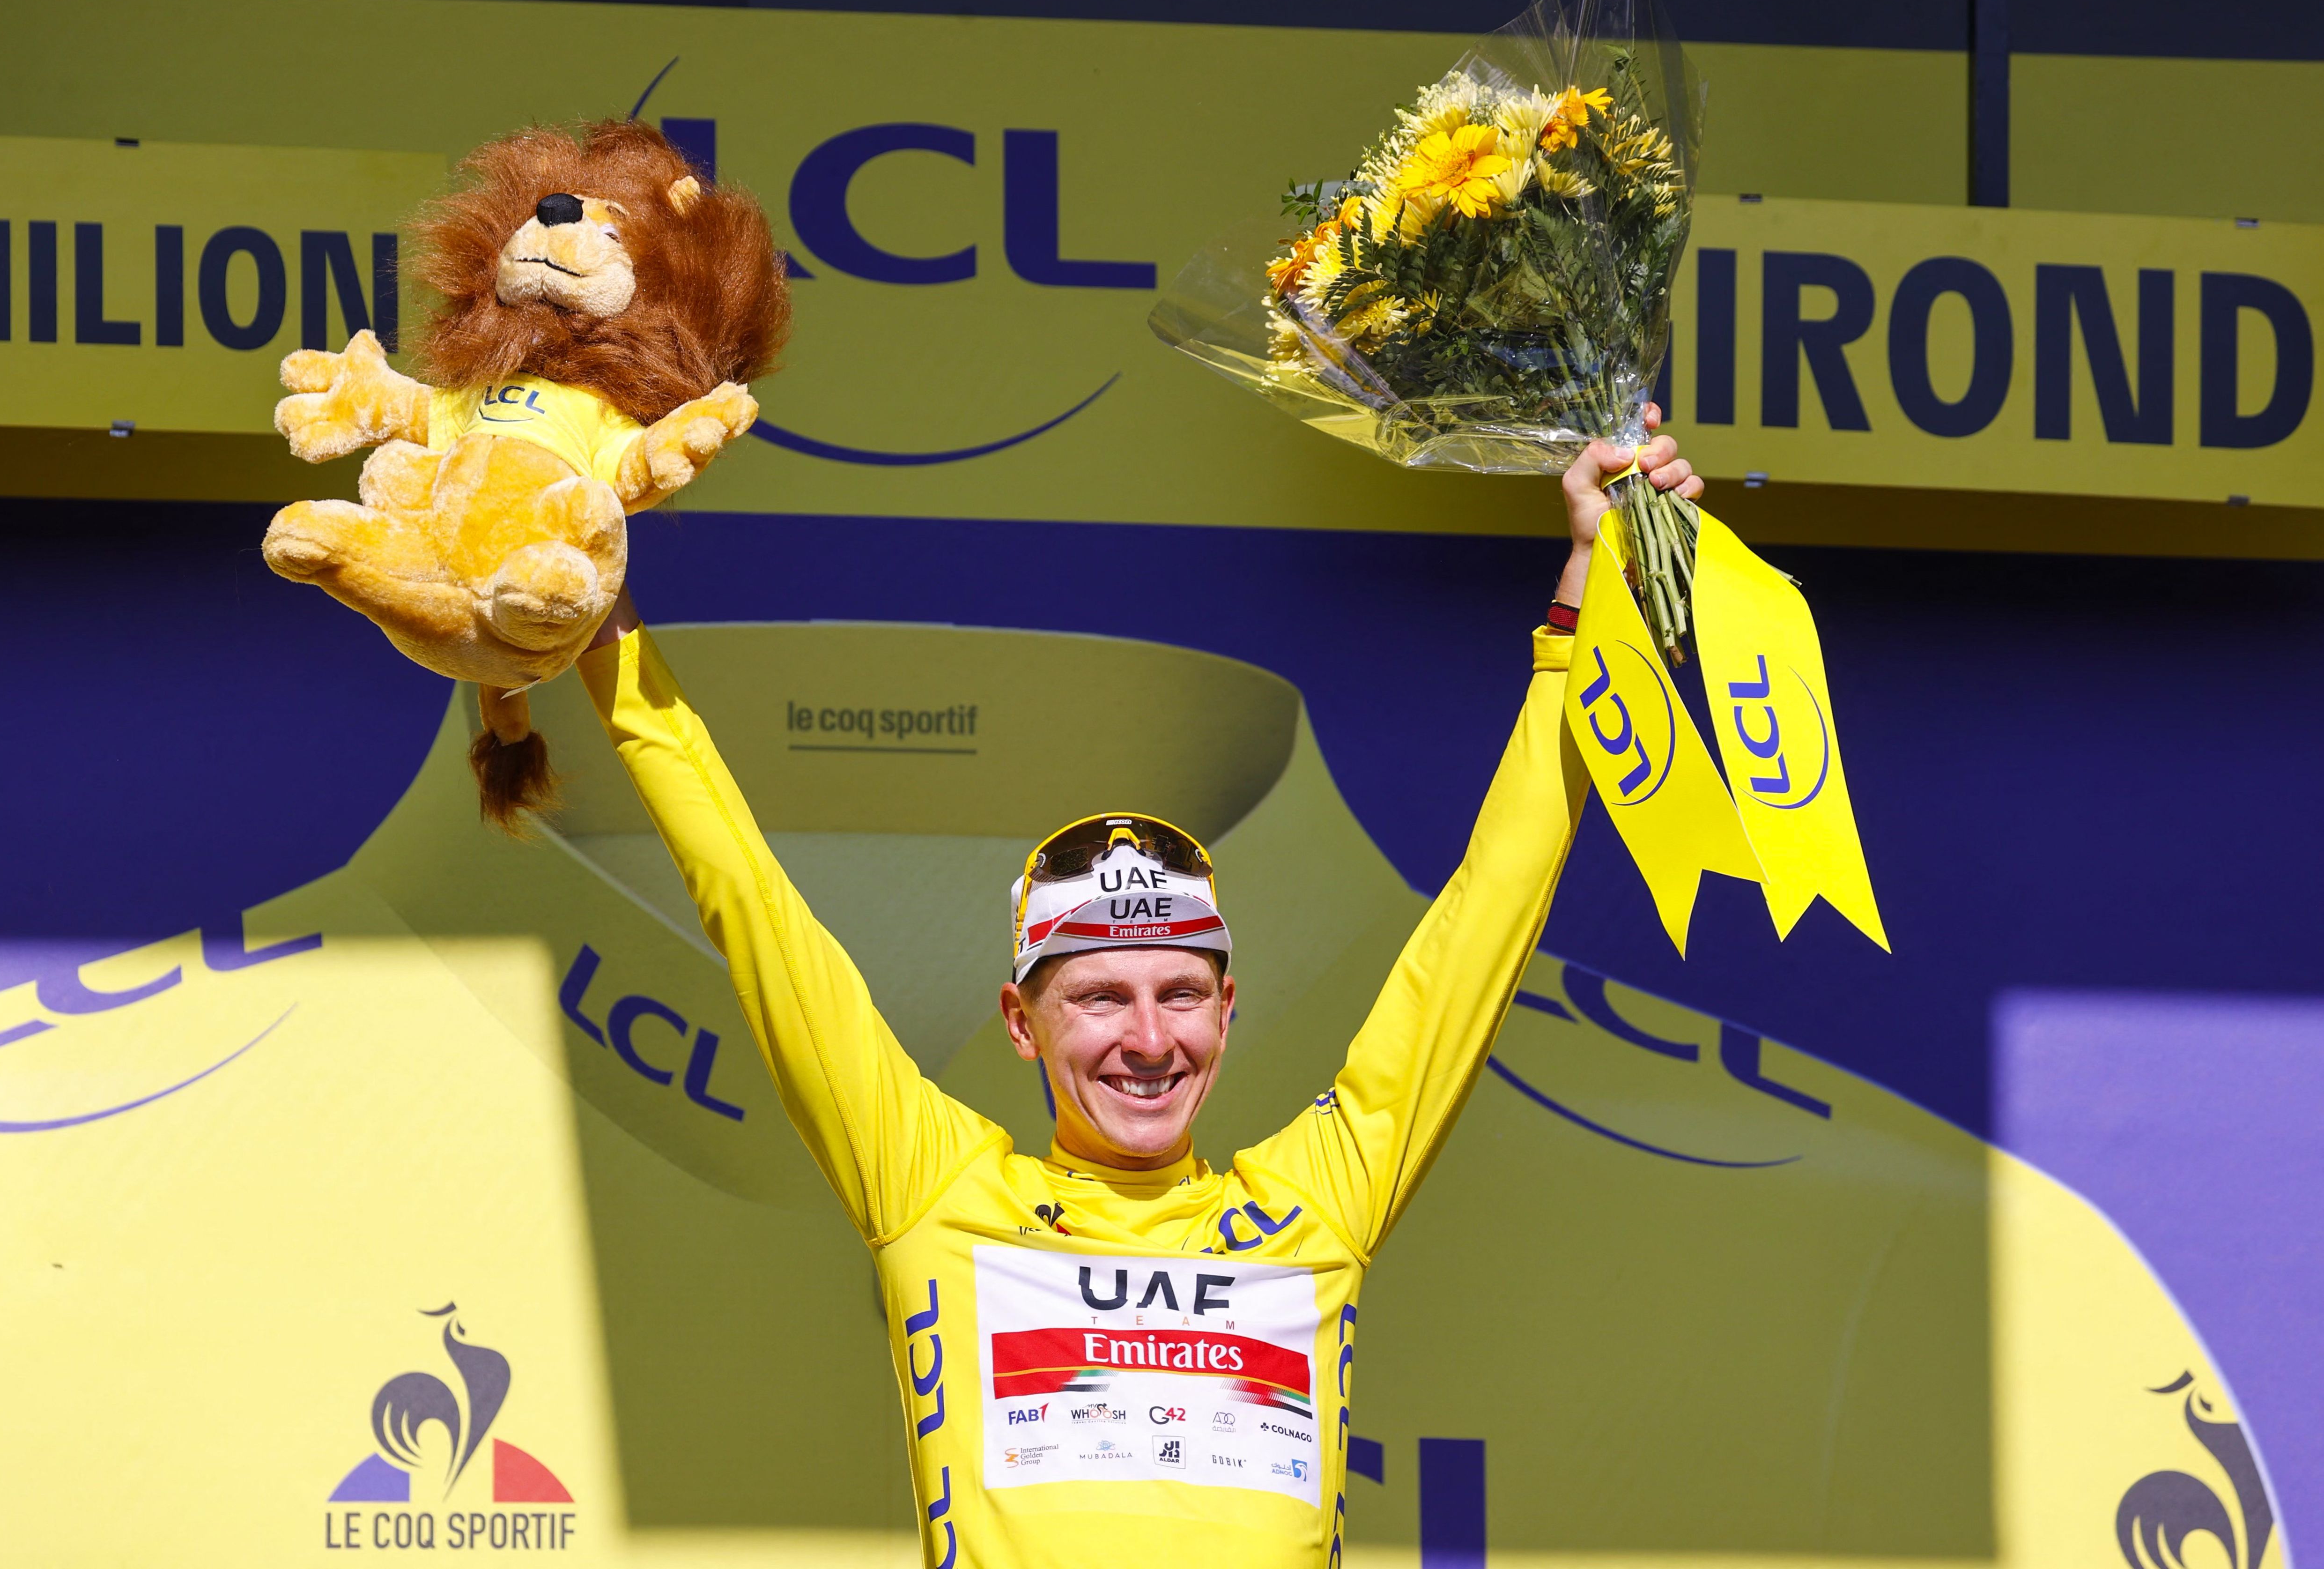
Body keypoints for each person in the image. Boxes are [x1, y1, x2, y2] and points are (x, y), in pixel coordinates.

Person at [576, 413, 1702, 1568]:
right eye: (1100, 998)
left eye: (1180, 993)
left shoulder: (1316, 1207)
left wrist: (1589, 592)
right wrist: (598, 621)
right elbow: (751, 903)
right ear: (1020, 1022)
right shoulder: (933, 1190)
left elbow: (1489, 915)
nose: (1151, 1039)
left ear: (1229, 1010)